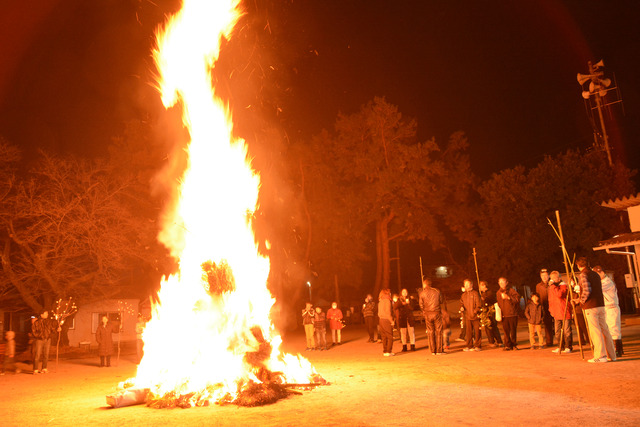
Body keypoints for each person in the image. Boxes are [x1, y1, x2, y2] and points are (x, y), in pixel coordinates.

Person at [574, 257, 616, 363]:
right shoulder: (595, 274)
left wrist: (580, 301)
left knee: (595, 331)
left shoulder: (583, 274)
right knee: (605, 330)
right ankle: (611, 355)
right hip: (600, 305)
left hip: (591, 306)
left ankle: (600, 355)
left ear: (578, 266)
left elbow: (587, 290)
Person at [594, 266, 623, 357]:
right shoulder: (602, 282)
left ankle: (618, 349)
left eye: (598, 274)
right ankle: (616, 349)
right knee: (608, 329)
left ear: (602, 272)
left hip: (611, 307)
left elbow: (597, 289)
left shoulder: (607, 282)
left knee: (614, 328)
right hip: (606, 308)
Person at [548, 271, 573, 354]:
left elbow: (559, 295)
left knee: (566, 331)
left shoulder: (563, 286)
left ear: (559, 278)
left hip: (564, 310)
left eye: (554, 278)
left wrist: (552, 286)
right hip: (556, 311)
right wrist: (551, 309)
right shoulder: (552, 287)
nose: (552, 280)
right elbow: (551, 299)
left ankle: (568, 346)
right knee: (557, 331)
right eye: (551, 278)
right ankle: (560, 346)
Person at [419, 277, 444, 355]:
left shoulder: (422, 293)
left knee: (430, 332)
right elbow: (441, 301)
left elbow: (421, 304)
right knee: (439, 331)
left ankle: (433, 350)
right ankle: (439, 350)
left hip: (428, 314)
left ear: (425, 284)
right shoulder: (436, 291)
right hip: (436, 313)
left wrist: (425, 311)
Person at [32, 309, 59, 374]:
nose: (47, 314)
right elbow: (34, 331)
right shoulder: (36, 322)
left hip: (47, 339)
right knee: (37, 354)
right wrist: (39, 336)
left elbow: (51, 329)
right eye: (45, 313)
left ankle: (44, 368)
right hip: (39, 340)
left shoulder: (49, 322)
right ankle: (35, 369)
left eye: (47, 313)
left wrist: (57, 330)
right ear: (41, 315)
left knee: (46, 354)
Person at [496, 277, 520, 351]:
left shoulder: (512, 291)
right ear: (498, 283)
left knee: (513, 330)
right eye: (500, 282)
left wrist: (508, 297)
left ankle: (514, 344)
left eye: (503, 282)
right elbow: (499, 304)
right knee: (506, 331)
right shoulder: (498, 293)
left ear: (507, 283)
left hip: (512, 314)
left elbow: (517, 299)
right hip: (504, 315)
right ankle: (507, 345)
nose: (502, 284)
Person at [479, 281, 503, 347]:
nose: (480, 288)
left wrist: (484, 299)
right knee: (487, 327)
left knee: (493, 326)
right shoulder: (482, 294)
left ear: (484, 285)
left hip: (491, 311)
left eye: (480, 286)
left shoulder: (490, 293)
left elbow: (491, 300)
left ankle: (499, 341)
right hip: (485, 312)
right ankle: (491, 341)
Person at [460, 279, 482, 351]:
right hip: (467, 316)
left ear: (471, 285)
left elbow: (479, 304)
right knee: (468, 332)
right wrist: (462, 307)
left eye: (467, 284)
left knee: (477, 331)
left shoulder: (475, 293)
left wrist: (475, 311)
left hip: (475, 316)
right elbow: (461, 303)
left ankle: (478, 346)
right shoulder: (463, 295)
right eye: (465, 284)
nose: (466, 286)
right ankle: (469, 346)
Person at [536, 269, 554, 348]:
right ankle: (549, 341)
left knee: (558, 325)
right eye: (543, 276)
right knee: (547, 325)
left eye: (546, 275)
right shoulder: (539, 286)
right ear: (540, 276)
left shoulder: (553, 283)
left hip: (554, 306)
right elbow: (537, 297)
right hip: (545, 307)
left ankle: (562, 341)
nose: (544, 277)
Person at [378, 288, 395, 356]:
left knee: (384, 336)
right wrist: (392, 321)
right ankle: (388, 351)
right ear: (387, 293)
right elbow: (388, 312)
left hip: (381, 320)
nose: (390, 294)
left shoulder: (380, 301)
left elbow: (379, 312)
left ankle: (385, 351)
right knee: (390, 336)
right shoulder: (387, 301)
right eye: (389, 293)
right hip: (386, 320)